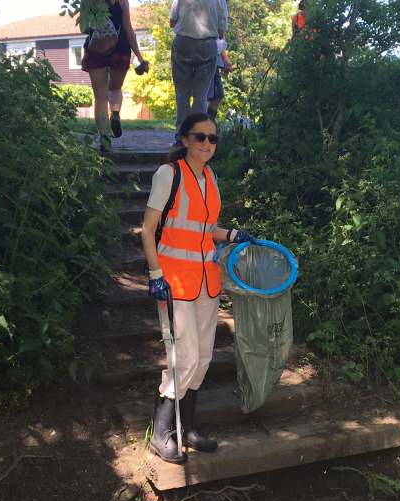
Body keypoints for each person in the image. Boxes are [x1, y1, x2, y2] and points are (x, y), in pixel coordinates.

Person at [140, 112, 257, 464]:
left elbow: (206, 229)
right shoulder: (168, 174)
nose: (207, 144)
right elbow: (147, 230)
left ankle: (186, 428)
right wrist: (154, 274)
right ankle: (162, 434)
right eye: (200, 137)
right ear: (185, 139)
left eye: (213, 138)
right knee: (185, 356)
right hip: (173, 280)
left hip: (206, 279)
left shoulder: (210, 177)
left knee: (203, 357)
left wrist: (232, 235)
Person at [81, 0, 148, 153]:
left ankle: (105, 141)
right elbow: (128, 29)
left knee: (100, 97)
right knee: (116, 87)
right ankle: (115, 115)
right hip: (120, 48)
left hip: (96, 48)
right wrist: (140, 57)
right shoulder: (122, 1)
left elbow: (84, 28)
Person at [169, 0, 228, 144]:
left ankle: (180, 137)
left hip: (182, 44)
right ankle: (197, 136)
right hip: (207, 46)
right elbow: (221, 34)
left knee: (182, 94)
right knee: (201, 96)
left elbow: (172, 22)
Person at [206, 36, 233, 122]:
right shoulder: (217, 21)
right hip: (208, 61)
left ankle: (207, 126)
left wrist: (221, 62)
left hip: (215, 62)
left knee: (218, 95)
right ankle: (199, 126)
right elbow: (218, 39)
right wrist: (225, 59)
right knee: (201, 97)